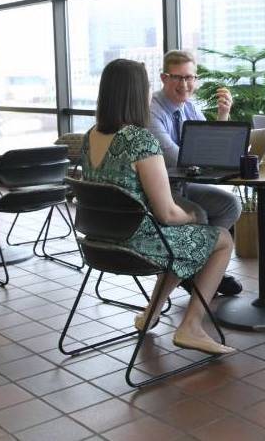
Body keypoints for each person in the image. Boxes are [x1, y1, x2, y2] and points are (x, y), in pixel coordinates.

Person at [81, 59, 235, 355]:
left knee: (184, 239)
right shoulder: (140, 140)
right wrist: (193, 216)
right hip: (136, 245)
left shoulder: (90, 136)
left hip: (98, 243)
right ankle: (190, 326)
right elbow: (167, 213)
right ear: (136, 93)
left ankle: (151, 313)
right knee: (220, 239)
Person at [148, 50, 243, 296]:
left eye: (190, 77)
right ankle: (199, 274)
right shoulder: (153, 111)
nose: (185, 84)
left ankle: (205, 271)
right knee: (197, 213)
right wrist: (207, 157)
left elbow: (213, 146)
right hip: (158, 190)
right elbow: (175, 157)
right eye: (178, 78)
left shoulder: (190, 107)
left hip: (182, 186)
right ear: (163, 78)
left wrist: (223, 116)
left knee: (230, 204)